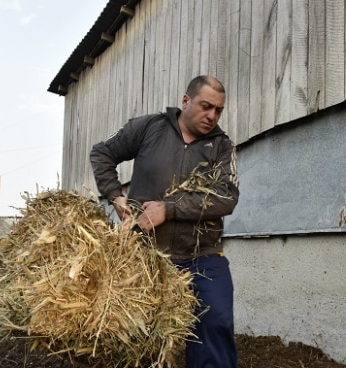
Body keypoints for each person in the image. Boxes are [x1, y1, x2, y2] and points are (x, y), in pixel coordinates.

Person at [90, 75, 240, 367]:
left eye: (218, 110)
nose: (212, 116)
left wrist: (167, 209)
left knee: (216, 321)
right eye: (206, 106)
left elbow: (227, 196)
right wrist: (114, 196)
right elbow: (102, 153)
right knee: (140, 338)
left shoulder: (221, 146)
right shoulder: (150, 127)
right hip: (146, 256)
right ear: (186, 101)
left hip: (202, 256)